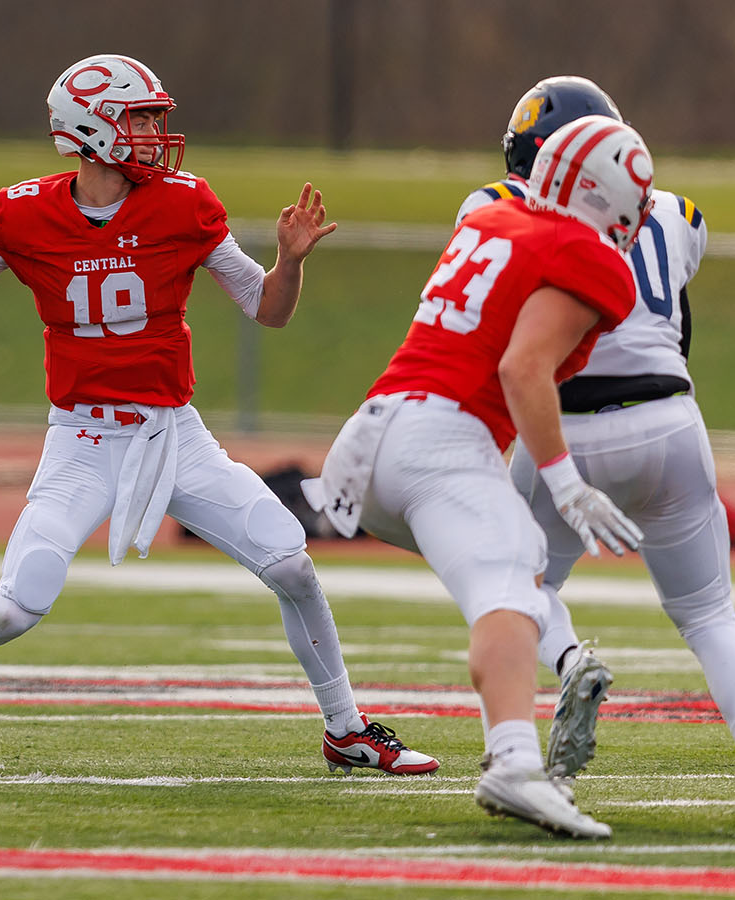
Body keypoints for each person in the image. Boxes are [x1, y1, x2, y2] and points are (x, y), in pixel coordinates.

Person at [0, 54, 439, 778]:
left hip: (173, 432)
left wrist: (290, 263)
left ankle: (347, 729)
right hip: (82, 439)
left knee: (292, 564)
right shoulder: (24, 212)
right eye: (137, 118)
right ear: (91, 128)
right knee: (15, 607)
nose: (150, 133)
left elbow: (268, 310)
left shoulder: (186, 203)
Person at [455, 76, 735, 823]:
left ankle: (572, 662)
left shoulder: (496, 206)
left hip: (564, 430)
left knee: (518, 586)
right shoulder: (675, 212)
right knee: (711, 614)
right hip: (671, 425)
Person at [305, 115, 657, 838]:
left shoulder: (497, 216)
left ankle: (521, 745)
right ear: (600, 190)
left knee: (510, 583)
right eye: (635, 193)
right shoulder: (586, 253)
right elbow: (522, 367)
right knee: (511, 570)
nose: (642, 210)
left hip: (373, 437)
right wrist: (564, 482)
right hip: (440, 437)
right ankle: (514, 765)